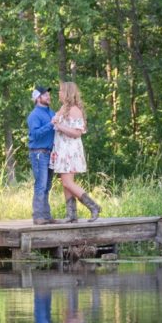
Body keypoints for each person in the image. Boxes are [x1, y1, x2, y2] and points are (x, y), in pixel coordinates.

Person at [50, 81, 102, 222]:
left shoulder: (74, 110)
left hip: (70, 150)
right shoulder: (63, 108)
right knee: (65, 182)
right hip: (62, 149)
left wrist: (59, 126)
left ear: (67, 93)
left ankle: (94, 206)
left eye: (61, 91)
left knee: (68, 183)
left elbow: (77, 133)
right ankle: (71, 215)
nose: (58, 93)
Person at [26, 85, 56, 225]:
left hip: (50, 154)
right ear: (38, 98)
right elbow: (36, 134)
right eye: (45, 95)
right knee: (41, 185)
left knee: (47, 185)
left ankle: (46, 215)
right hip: (39, 153)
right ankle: (38, 216)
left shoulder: (51, 112)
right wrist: (51, 124)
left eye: (48, 94)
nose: (48, 96)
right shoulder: (34, 115)